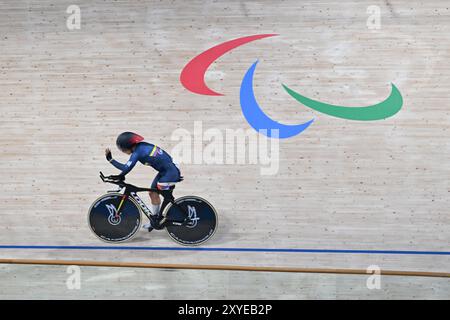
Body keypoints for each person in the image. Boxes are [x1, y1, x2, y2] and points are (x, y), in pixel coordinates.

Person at [105, 132, 181, 231]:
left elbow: (125, 168)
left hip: (170, 173)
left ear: (127, 146)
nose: (123, 151)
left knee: (164, 194)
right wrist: (120, 175)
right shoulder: (141, 146)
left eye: (123, 149)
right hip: (166, 171)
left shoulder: (138, 152)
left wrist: (111, 160)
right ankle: (155, 220)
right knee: (153, 193)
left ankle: (162, 218)